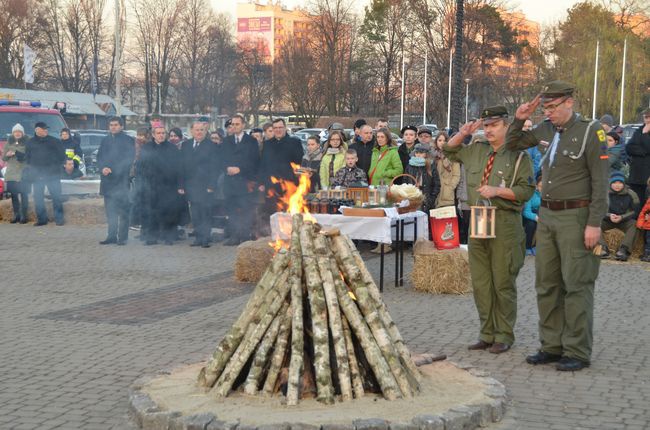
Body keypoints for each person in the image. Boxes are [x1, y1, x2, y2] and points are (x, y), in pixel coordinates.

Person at [507, 80, 609, 371]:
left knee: (577, 283)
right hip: (548, 216)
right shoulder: (547, 129)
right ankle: (551, 345)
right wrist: (520, 118)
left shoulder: (591, 131)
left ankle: (577, 350)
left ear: (569, 103)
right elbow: (513, 144)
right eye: (545, 108)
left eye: (552, 107)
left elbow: (601, 182)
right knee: (547, 284)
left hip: (576, 216)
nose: (548, 113)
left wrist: (594, 224)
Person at [444, 106, 534, 355]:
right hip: (478, 220)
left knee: (503, 281)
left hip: (505, 221)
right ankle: (486, 333)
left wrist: (498, 191)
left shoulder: (518, 156)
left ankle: (504, 334)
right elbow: (448, 150)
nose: (489, 130)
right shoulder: (476, 150)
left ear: (506, 126)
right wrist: (462, 134)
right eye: (486, 125)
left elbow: (526, 191)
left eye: (494, 125)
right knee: (482, 282)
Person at [179, 120, 219, 248]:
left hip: (206, 186)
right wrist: (181, 185)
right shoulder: (186, 145)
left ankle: (206, 238)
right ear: (192, 131)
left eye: (202, 130)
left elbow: (215, 168)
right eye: (197, 130)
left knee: (205, 213)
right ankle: (198, 237)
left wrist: (212, 185)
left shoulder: (212, 146)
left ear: (205, 131)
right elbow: (182, 167)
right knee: (195, 213)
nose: (199, 132)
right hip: (191, 186)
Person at [221, 114, 260, 246]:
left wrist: (240, 169)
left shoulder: (251, 141)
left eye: (237, 124)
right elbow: (220, 159)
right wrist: (227, 168)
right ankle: (234, 236)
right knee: (232, 210)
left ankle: (244, 236)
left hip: (244, 181)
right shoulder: (226, 141)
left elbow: (254, 162)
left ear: (243, 125)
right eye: (232, 124)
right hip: (230, 182)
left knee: (245, 209)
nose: (235, 127)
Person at [139, 125, 181, 245]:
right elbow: (140, 166)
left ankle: (168, 237)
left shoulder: (172, 148)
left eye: (163, 133)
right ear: (153, 135)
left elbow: (179, 167)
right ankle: (152, 236)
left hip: (168, 186)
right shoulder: (146, 148)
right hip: (151, 185)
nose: (161, 135)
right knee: (152, 212)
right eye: (158, 133)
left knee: (168, 211)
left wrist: (178, 185)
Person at [96, 117, 135, 245]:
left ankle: (122, 237)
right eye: (111, 125)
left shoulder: (128, 140)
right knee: (110, 212)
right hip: (107, 182)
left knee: (123, 212)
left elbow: (128, 160)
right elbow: (99, 157)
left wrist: (113, 169)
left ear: (121, 126)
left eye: (116, 125)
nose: (113, 127)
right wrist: (103, 168)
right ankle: (111, 236)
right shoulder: (105, 140)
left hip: (121, 181)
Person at [258, 118, 303, 216]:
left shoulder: (294, 143)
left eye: (280, 127)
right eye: (275, 128)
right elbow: (263, 165)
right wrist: (261, 182)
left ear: (285, 128)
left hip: (289, 185)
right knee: (271, 215)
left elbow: (298, 163)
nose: (278, 130)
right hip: (271, 186)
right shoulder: (267, 144)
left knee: (289, 215)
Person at [25, 122, 66, 226]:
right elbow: (28, 158)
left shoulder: (55, 141)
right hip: (37, 175)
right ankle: (42, 220)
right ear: (37, 130)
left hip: (52, 174)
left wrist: (53, 167)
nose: (46, 130)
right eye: (43, 129)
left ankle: (59, 219)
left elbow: (62, 157)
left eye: (46, 128)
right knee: (38, 198)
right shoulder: (30, 142)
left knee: (56, 196)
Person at [598, 172, 639, 261]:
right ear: (610, 183)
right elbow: (598, 209)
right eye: (614, 183)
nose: (617, 185)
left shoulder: (631, 194)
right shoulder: (603, 193)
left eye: (620, 183)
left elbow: (635, 211)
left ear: (624, 184)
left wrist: (622, 217)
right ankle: (602, 248)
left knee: (635, 224)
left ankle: (624, 250)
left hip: (624, 221)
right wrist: (609, 215)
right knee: (593, 223)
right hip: (607, 220)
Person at [2, 123, 29, 223]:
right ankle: (16, 215)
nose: (17, 134)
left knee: (24, 194)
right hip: (11, 173)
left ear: (22, 133)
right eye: (15, 132)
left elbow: (28, 156)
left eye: (19, 132)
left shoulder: (27, 142)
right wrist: (8, 154)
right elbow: (3, 157)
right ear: (13, 133)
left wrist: (16, 153)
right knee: (14, 195)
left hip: (23, 172)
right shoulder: (9, 143)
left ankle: (24, 215)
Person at [404, 143, 440, 215]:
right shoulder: (410, 165)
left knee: (425, 221)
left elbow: (436, 184)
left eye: (421, 152)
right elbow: (405, 181)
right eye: (417, 152)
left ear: (426, 154)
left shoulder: (431, 165)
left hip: (426, 199)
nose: (418, 155)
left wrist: (431, 199)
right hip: (412, 198)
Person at [625, 108, 650, 204]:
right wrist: (643, 151)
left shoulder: (643, 132)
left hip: (647, 177)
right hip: (636, 175)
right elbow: (629, 148)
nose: (647, 120)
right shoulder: (639, 130)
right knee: (636, 202)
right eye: (645, 117)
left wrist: (644, 135)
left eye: (649, 117)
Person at [130, 127, 150, 235]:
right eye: (139, 135)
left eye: (142, 135)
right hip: (136, 175)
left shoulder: (148, 146)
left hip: (145, 177)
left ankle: (144, 227)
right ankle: (135, 223)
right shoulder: (134, 145)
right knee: (136, 199)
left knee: (144, 202)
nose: (140, 137)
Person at [432, 132, 461, 208]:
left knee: (446, 218)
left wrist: (451, 187)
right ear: (436, 142)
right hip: (433, 192)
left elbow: (456, 175)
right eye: (440, 140)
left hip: (446, 192)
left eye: (444, 141)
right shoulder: (431, 155)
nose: (442, 143)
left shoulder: (453, 156)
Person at [522, 172, 542, 256]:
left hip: (541, 214)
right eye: (541, 186)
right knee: (531, 224)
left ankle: (537, 246)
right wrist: (535, 217)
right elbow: (526, 211)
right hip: (529, 215)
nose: (543, 189)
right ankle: (528, 247)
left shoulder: (547, 194)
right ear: (537, 186)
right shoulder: (532, 194)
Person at [637, 178, 650, 262]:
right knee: (646, 238)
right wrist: (640, 223)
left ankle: (648, 254)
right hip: (647, 225)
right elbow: (644, 212)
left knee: (649, 240)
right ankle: (646, 253)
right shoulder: (648, 201)